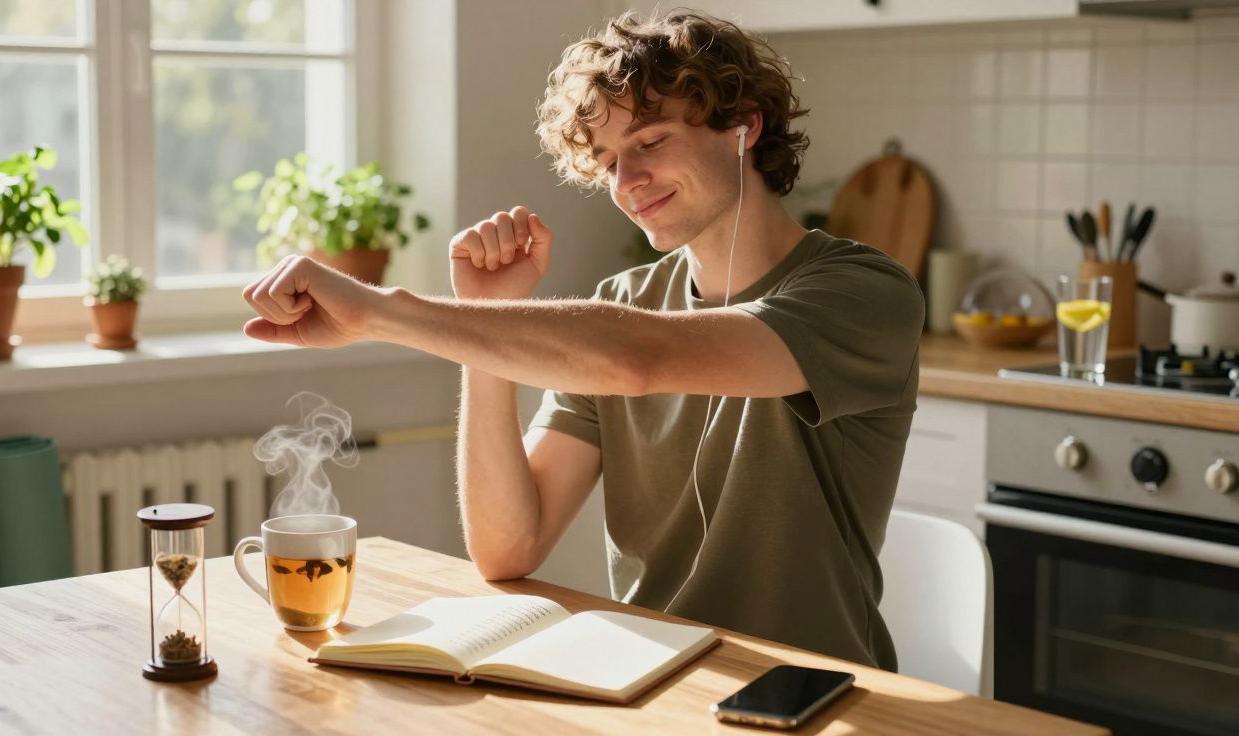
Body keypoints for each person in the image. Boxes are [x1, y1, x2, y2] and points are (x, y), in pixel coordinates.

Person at [243, 9, 923, 671]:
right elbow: (509, 548)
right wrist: (482, 324)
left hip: (812, 689)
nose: (626, 186)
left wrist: (383, 312)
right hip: (656, 677)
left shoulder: (864, 292)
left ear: (743, 128)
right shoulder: (622, 304)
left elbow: (638, 360)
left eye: (650, 143)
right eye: (607, 163)